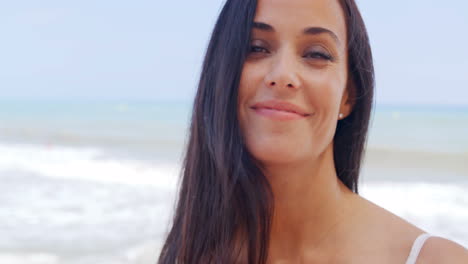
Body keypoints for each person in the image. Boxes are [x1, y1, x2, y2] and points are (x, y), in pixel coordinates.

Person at [157, 0, 468, 263]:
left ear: (349, 95)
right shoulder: (188, 252)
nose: (282, 75)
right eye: (256, 47)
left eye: (316, 54)